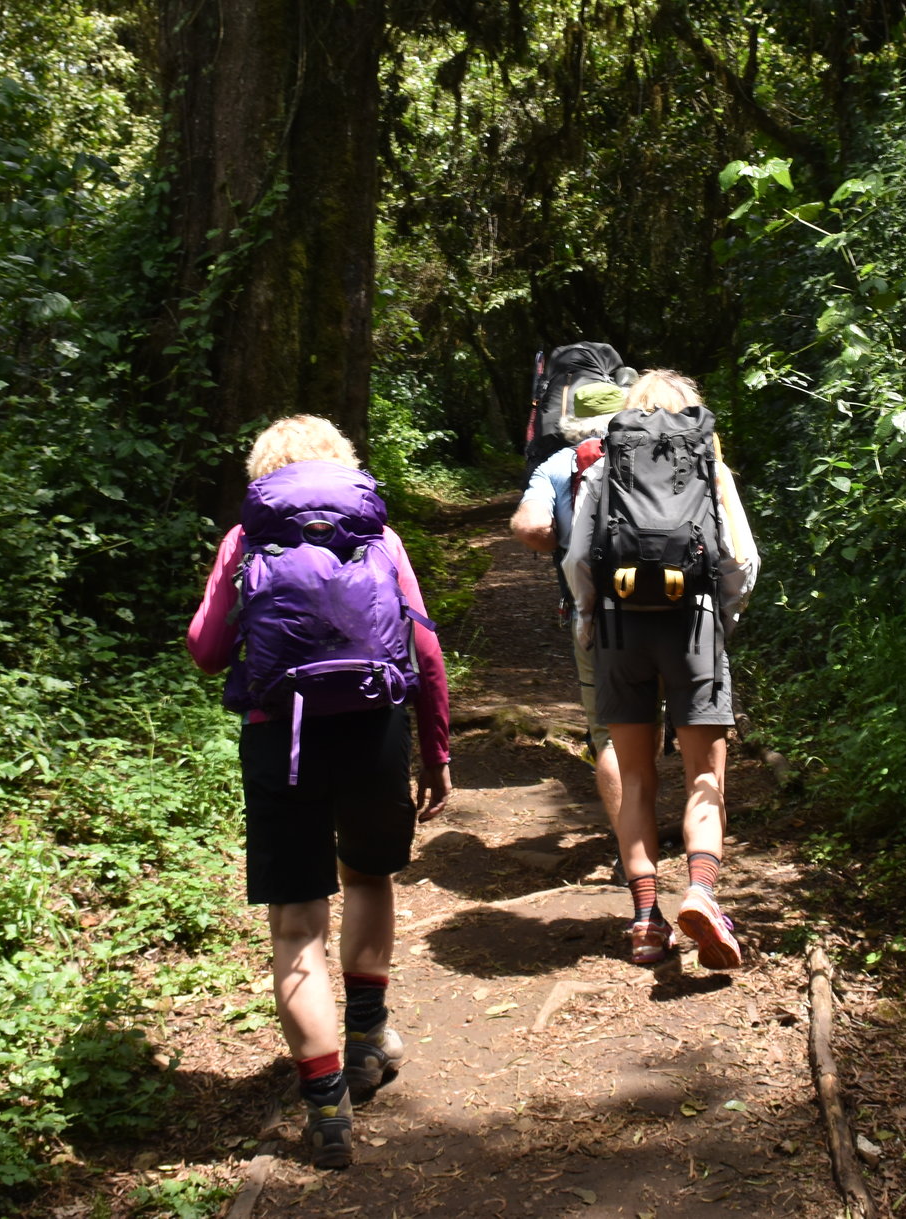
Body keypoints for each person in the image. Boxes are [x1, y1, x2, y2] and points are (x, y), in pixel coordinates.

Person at [185, 415, 454, 1170]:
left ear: (265, 473)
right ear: (345, 467)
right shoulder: (378, 536)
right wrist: (434, 752)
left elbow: (207, 651)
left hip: (282, 738)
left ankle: (327, 1106)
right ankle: (367, 1034)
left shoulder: (247, 538)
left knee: (296, 922)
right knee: (368, 874)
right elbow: (424, 650)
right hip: (374, 729)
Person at [563, 370, 759, 972]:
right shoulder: (708, 467)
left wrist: (590, 619)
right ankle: (701, 890)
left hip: (621, 630)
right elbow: (741, 560)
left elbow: (577, 558)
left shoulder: (603, 468)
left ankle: (647, 922)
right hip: (694, 623)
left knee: (637, 776)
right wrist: (720, 615)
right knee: (705, 775)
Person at [508, 371, 629, 822]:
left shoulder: (559, 464)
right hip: (673, 606)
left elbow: (531, 527)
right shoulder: (663, 451)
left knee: (610, 731)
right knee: (655, 717)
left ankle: (630, 847)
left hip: (597, 612)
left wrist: (561, 544)